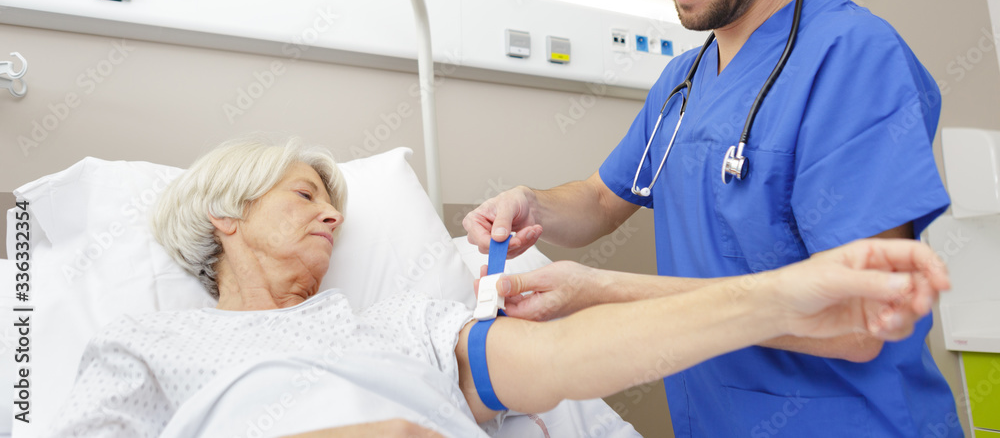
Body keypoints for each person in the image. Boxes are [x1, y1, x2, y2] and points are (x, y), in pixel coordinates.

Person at [464, 0, 961, 438]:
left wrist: (602, 292)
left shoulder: (852, 59)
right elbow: (598, 197)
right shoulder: (682, 82)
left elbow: (859, 316)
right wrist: (533, 203)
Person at [51, 138, 949, 438]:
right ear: (225, 216)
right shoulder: (145, 341)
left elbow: (553, 357)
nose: (331, 216)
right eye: (304, 194)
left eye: (335, 201)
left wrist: (774, 297)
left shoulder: (400, 320)